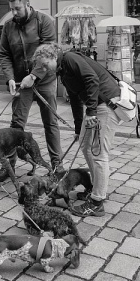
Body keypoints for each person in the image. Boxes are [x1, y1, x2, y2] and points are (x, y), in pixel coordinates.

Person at [32, 43, 121, 217]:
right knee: (85, 145)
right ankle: (96, 188)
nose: (44, 69)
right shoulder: (62, 71)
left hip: (106, 105)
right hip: (97, 106)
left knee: (98, 153)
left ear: (53, 56)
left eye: (45, 64)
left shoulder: (70, 59)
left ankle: (97, 203)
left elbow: (92, 80)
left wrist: (91, 112)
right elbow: (75, 98)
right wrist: (79, 126)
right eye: (40, 66)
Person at [0, 0, 64, 181]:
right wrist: (10, 77)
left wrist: (34, 76)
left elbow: (50, 52)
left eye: (17, 9)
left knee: (50, 123)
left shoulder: (44, 21)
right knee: (16, 125)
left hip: (45, 81)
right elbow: (4, 54)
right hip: (20, 82)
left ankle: (57, 164)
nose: (14, 13)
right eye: (11, 9)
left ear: (27, 4)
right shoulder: (8, 26)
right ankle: (8, 166)